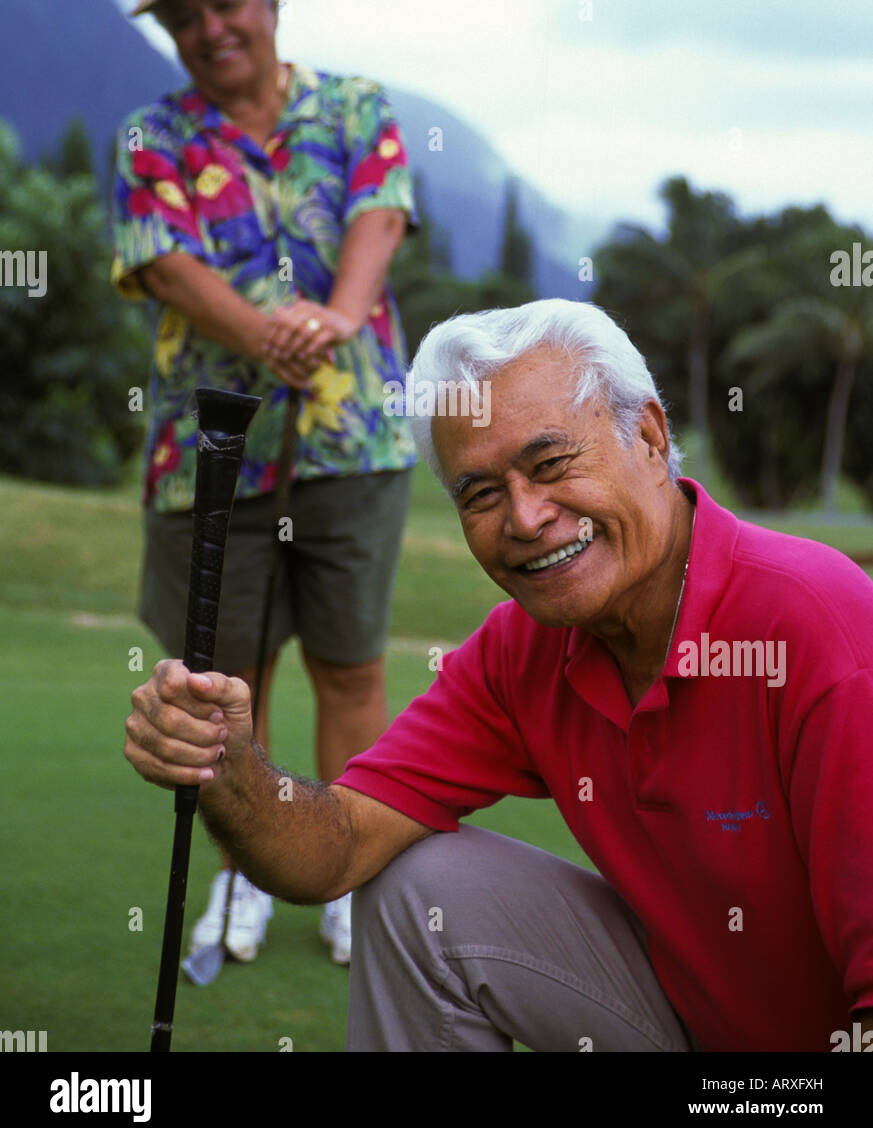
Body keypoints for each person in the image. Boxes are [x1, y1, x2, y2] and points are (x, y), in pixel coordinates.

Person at [124, 299, 873, 1051]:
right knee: (420, 889)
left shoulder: (819, 623)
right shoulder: (520, 650)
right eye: (480, 494)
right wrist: (226, 763)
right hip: (692, 1028)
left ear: (647, 438)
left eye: (550, 464)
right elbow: (337, 845)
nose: (523, 517)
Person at [111, 0, 417, 967]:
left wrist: (333, 318)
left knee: (352, 670)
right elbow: (165, 262)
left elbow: (381, 213)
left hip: (352, 447)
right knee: (222, 678)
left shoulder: (354, 105)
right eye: (185, 16)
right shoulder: (152, 136)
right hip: (212, 450)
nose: (212, 28)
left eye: (227, 1)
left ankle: (344, 874)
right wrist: (275, 338)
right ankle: (243, 879)